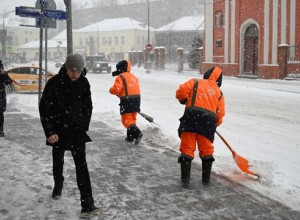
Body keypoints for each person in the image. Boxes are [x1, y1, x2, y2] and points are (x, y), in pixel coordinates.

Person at [39, 54, 100, 215]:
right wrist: (50, 132)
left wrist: (83, 125)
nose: (75, 74)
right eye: (72, 70)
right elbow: (44, 109)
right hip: (58, 133)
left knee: (82, 168)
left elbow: (88, 106)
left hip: (76, 133)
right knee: (58, 163)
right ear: (66, 68)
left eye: (78, 71)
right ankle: (58, 184)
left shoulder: (84, 83)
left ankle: (87, 204)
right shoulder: (54, 83)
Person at [176, 66, 225, 186]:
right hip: (207, 123)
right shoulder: (219, 93)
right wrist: (215, 123)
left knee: (187, 147)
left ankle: (185, 179)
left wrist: (183, 99)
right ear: (219, 81)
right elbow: (220, 113)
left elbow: (181, 92)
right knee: (206, 149)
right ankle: (206, 179)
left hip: (191, 118)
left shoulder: (195, 82)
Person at [109, 60, 143, 145]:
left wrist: (111, 90)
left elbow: (117, 89)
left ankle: (137, 133)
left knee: (126, 120)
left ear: (120, 69)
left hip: (127, 100)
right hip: (137, 100)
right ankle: (130, 137)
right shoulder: (133, 76)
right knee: (132, 118)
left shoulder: (120, 77)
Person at [0, 59, 12, 137]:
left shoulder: (2, 72)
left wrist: (3, 73)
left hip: (0, 94)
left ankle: (0, 129)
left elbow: (8, 82)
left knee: (0, 112)